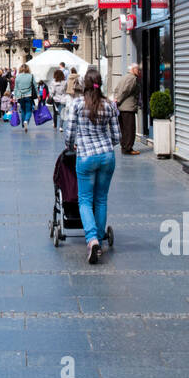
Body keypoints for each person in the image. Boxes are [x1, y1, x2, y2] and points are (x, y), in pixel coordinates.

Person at [61, 67, 120, 265]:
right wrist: (105, 145)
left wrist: (71, 146)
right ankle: (100, 239)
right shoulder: (109, 105)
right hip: (106, 157)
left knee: (85, 199)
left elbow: (69, 133)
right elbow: (117, 137)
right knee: (101, 199)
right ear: (100, 83)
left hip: (85, 156)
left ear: (85, 85)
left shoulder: (78, 104)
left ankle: (92, 239)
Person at [112, 64, 142, 155]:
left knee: (123, 129)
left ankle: (124, 147)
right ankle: (128, 148)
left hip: (121, 108)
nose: (139, 71)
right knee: (129, 129)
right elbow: (126, 91)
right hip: (128, 108)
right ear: (133, 69)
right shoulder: (132, 78)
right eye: (137, 69)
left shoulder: (123, 77)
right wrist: (118, 100)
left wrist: (116, 99)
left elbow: (117, 89)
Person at [13, 63, 36, 133]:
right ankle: (26, 120)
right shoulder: (31, 76)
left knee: (23, 110)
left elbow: (16, 87)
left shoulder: (17, 77)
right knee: (29, 110)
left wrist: (15, 96)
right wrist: (37, 95)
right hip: (29, 95)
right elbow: (35, 86)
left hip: (20, 96)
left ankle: (23, 123)